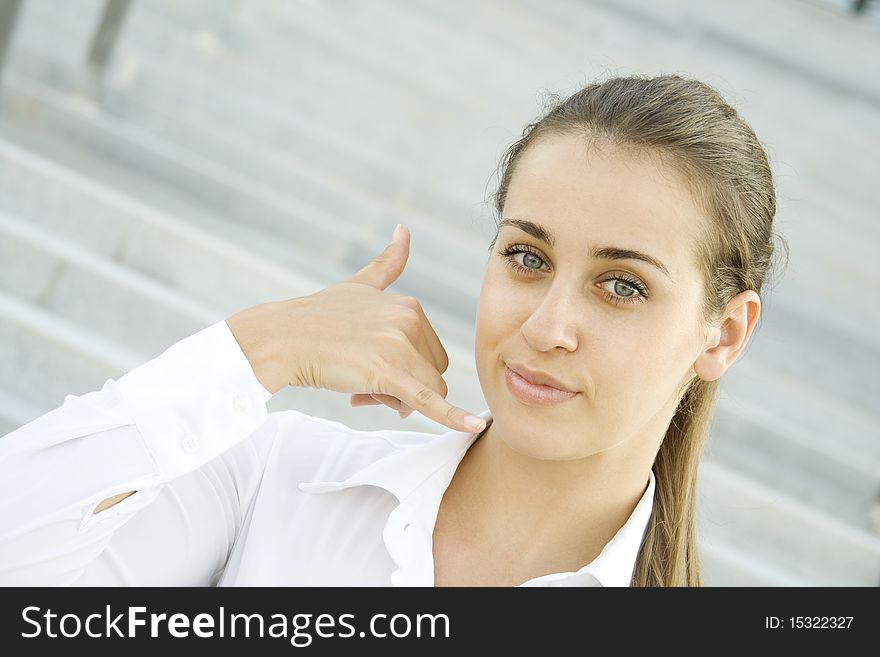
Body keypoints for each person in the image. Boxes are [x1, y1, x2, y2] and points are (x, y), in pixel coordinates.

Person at [0, 74, 785, 587]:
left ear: (722, 333)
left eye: (622, 286)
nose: (548, 326)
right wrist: (254, 351)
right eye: (526, 255)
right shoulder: (278, 476)